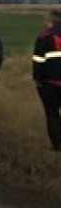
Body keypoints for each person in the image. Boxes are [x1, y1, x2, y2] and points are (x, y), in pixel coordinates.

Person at [31, 10, 61, 151]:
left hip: (50, 82)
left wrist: (38, 79)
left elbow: (38, 60)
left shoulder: (44, 36)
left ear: (50, 21)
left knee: (52, 113)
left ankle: (57, 145)